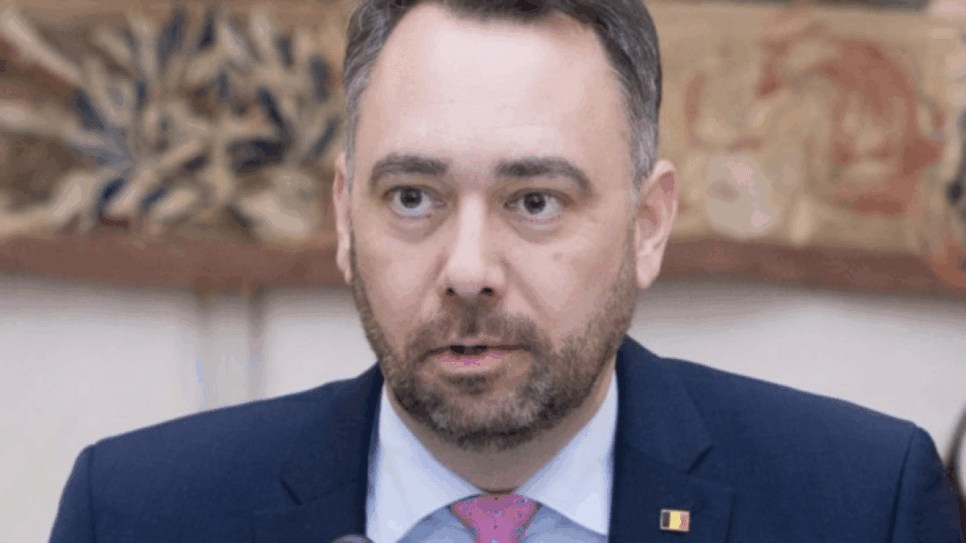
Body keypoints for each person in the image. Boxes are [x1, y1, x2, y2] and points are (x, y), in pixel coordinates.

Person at [49, 0, 963, 541]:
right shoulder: (137, 513)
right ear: (344, 217)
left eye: (535, 201)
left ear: (648, 226)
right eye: (413, 196)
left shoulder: (859, 504)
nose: (468, 269)